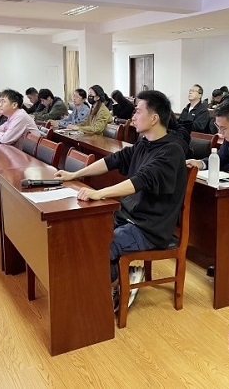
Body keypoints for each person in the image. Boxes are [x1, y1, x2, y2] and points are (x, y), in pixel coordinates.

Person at [54, 90, 188, 309]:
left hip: (149, 228)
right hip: (128, 216)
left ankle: (110, 291)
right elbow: (113, 160)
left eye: (138, 111)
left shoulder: (171, 151)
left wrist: (99, 193)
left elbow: (141, 180)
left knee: (101, 245)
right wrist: (74, 174)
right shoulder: (144, 143)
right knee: (85, 232)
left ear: (154, 118)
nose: (132, 116)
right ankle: (117, 276)